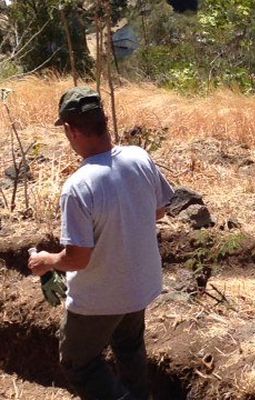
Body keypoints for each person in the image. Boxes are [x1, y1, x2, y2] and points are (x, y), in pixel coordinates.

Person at [28, 87, 174, 400]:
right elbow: (159, 210)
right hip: (140, 286)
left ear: (71, 130)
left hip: (99, 298)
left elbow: (78, 259)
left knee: (78, 363)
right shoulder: (139, 157)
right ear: (104, 121)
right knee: (129, 348)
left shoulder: (79, 186)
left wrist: (47, 261)